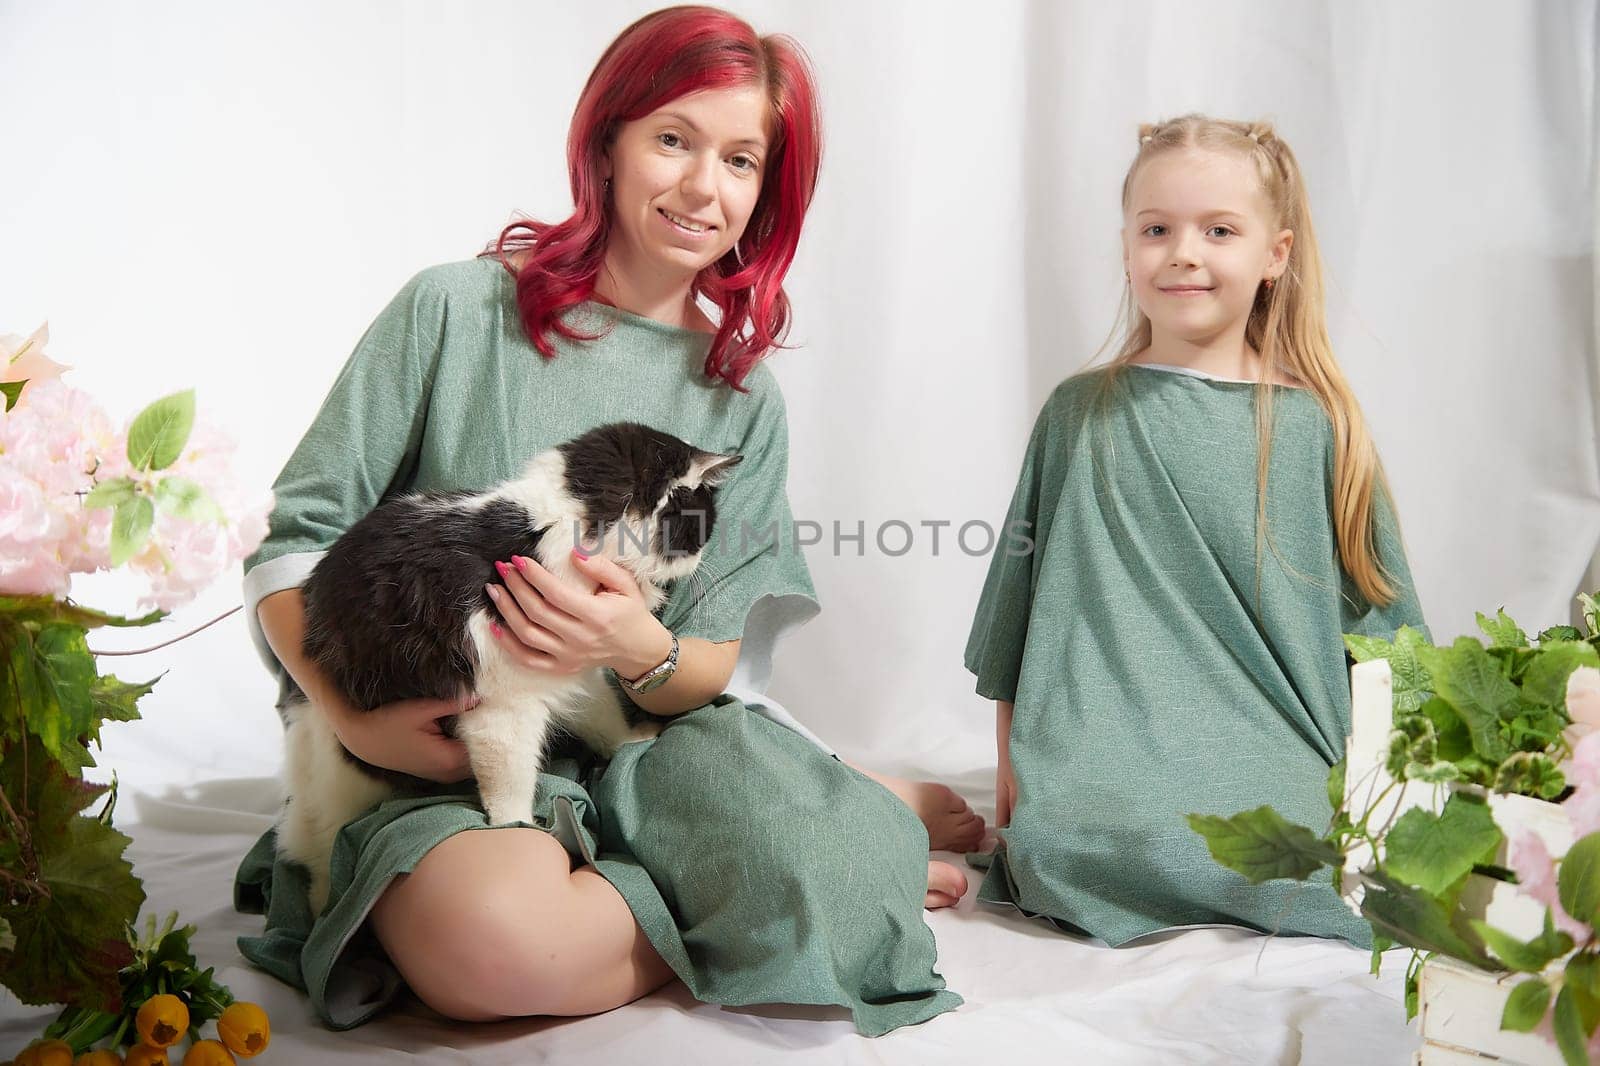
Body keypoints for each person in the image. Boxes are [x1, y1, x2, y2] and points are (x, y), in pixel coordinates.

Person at [234, 6, 968, 1037]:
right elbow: (299, 537)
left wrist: (635, 643)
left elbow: (709, 659)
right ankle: (783, 863)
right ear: (609, 143)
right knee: (497, 952)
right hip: (452, 748)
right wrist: (347, 711)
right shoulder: (452, 311)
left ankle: (815, 830)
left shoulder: (740, 402)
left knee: (825, 862)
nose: (703, 186)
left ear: (767, 191)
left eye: (742, 159)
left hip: (645, 744)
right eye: (674, 139)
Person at [965, 114, 1427, 946]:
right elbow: (1017, 609)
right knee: (1074, 838)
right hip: (1099, 744)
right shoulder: (1082, 412)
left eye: (1218, 230)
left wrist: (1402, 792)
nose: (1184, 252)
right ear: (1126, 247)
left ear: (1273, 256)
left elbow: (1386, 635)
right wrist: (1012, 771)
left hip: (1272, 745)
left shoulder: (1317, 425)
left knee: (1292, 852)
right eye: (1157, 229)